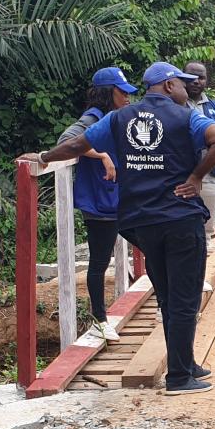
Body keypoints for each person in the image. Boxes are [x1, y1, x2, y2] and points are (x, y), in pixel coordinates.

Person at [22, 62, 215, 396]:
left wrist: (45, 156)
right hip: (179, 218)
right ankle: (179, 376)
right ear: (167, 86)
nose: (186, 90)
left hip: (140, 222)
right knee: (184, 295)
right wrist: (195, 177)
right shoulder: (187, 117)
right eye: (182, 83)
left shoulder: (120, 118)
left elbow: (77, 145)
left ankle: (186, 362)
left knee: (167, 293)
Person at [56, 66, 138, 342]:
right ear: (108, 93)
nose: (127, 98)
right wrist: (101, 154)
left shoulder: (117, 116)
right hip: (100, 200)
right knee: (99, 261)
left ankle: (166, 302)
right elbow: (66, 141)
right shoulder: (92, 117)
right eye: (122, 92)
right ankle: (100, 320)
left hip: (117, 197)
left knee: (151, 242)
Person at [182, 62, 215, 241]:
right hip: (181, 175)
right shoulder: (175, 104)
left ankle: (205, 258)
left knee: (208, 225)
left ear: (206, 80)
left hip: (210, 176)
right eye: (191, 77)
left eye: (200, 78)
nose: (196, 81)